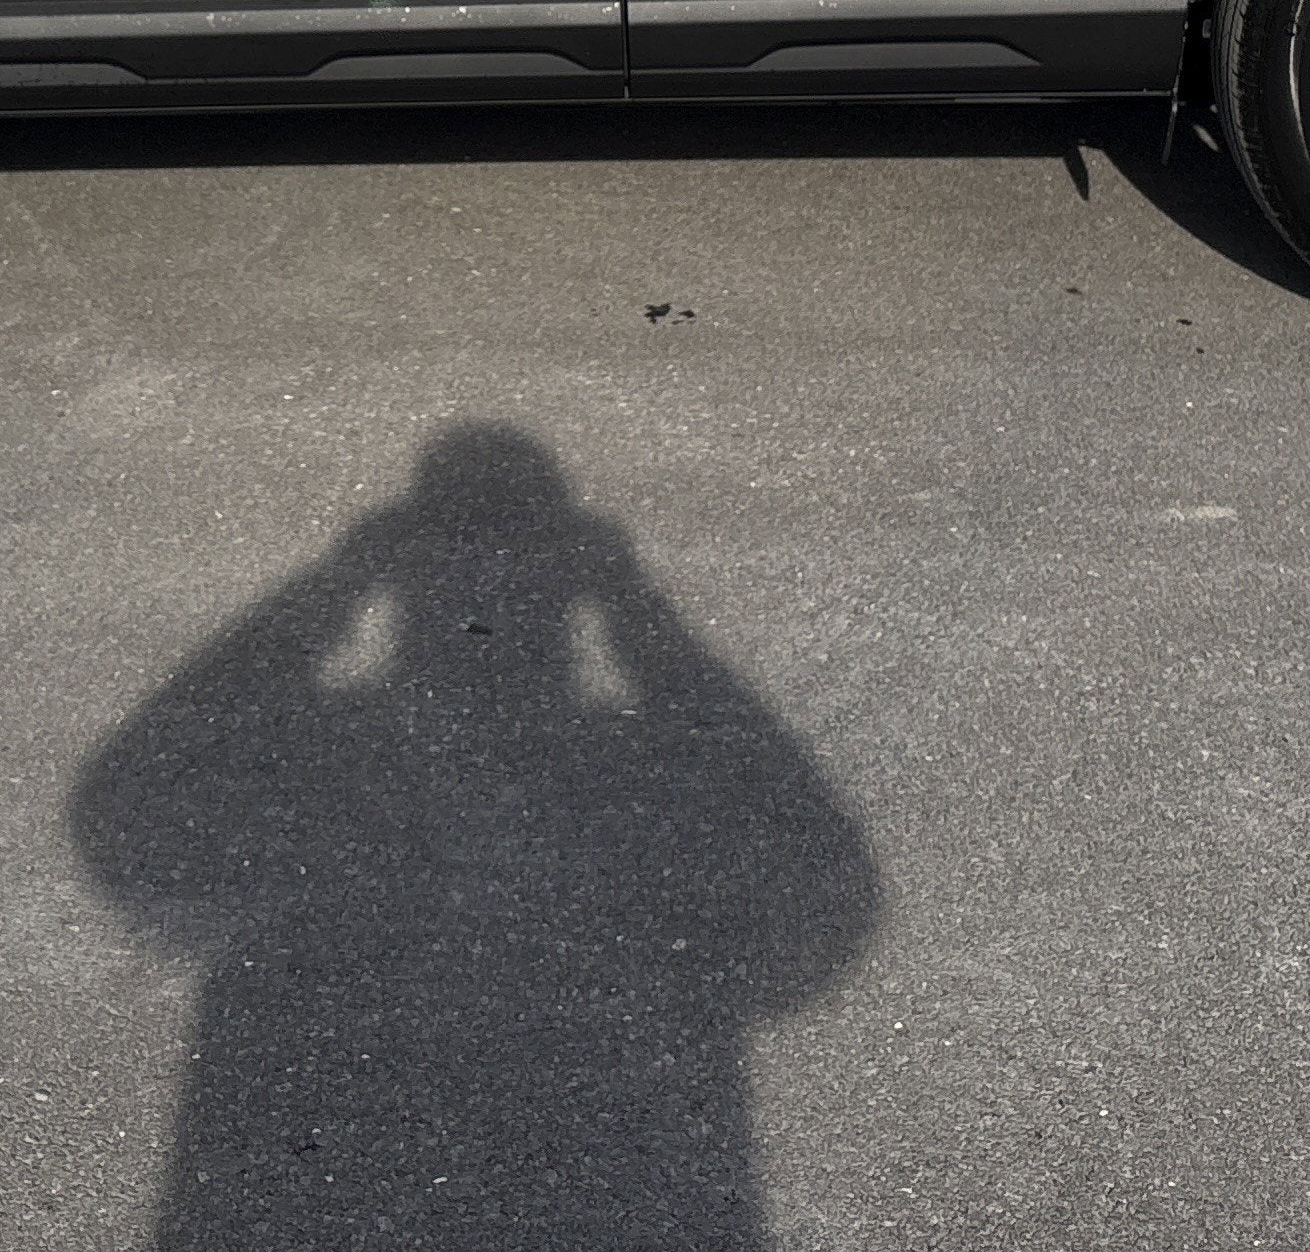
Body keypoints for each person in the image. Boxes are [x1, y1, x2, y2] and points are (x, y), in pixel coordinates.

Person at [71, 424, 881, 1248]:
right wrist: (634, 609)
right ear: (569, 589)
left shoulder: (331, 755)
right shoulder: (630, 765)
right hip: (608, 1189)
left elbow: (133, 796)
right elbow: (802, 851)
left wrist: (337, 584)